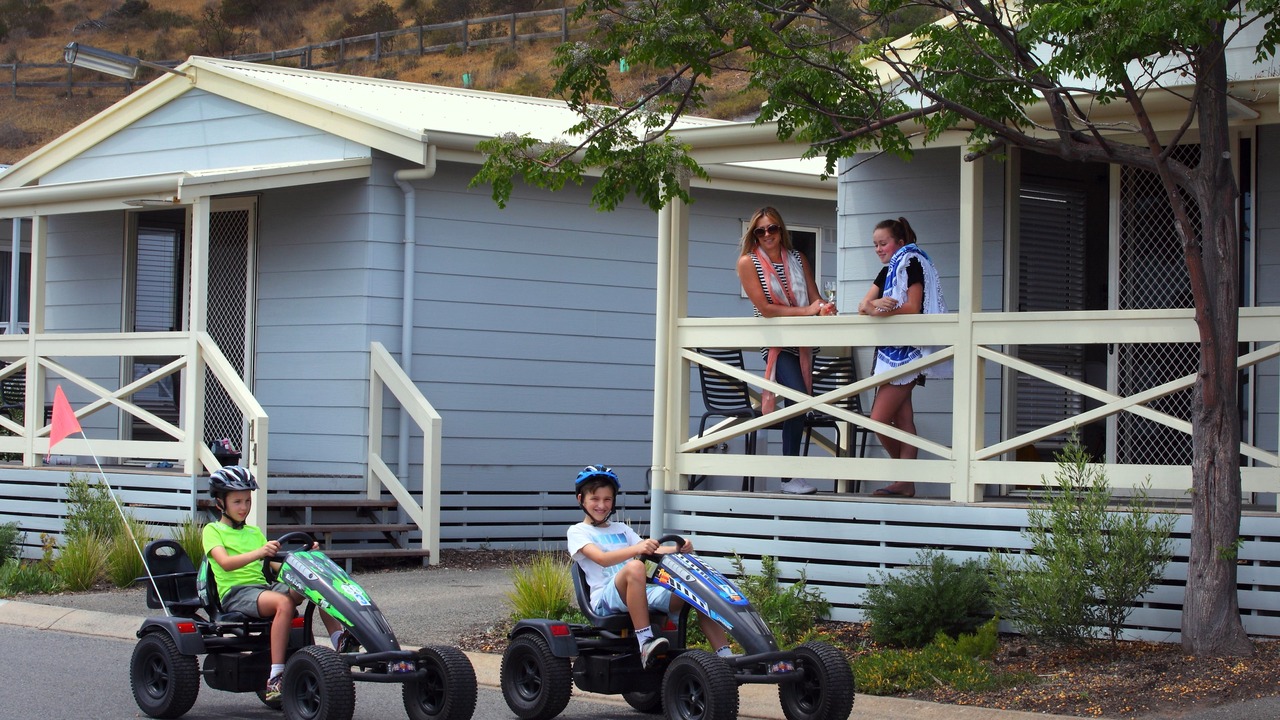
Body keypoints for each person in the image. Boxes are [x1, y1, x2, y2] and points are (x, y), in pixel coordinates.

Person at [202, 465, 352, 702]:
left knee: (316, 585)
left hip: (262, 589)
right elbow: (225, 563)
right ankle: (275, 677)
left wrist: (305, 557)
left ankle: (339, 640)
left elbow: (274, 566)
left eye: (247, 501)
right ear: (221, 503)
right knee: (284, 603)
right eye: (237, 502)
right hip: (236, 593)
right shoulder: (213, 531)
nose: (244, 507)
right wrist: (260, 552)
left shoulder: (253, 532)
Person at [567, 465, 735, 669]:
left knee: (697, 587)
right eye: (595, 499)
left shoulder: (621, 529)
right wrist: (637, 549)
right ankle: (645, 642)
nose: (601, 505)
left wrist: (677, 548)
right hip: (605, 600)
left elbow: (651, 549)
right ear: (581, 499)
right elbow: (601, 558)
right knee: (636, 567)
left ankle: (726, 656)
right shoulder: (578, 531)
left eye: (607, 499)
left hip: (640, 592)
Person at [736, 206, 835, 495]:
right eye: (760, 230)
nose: (767, 234)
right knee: (798, 397)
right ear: (754, 235)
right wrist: (807, 310)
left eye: (772, 228)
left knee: (798, 404)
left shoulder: (798, 258)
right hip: (776, 345)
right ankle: (788, 477)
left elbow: (815, 297)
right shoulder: (748, 262)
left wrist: (823, 307)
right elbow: (766, 309)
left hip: (803, 343)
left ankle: (792, 475)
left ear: (781, 230)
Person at [857, 217, 949, 497]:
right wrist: (874, 305)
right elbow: (863, 305)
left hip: (909, 352)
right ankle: (905, 480)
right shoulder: (889, 270)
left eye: (883, 243)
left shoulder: (910, 263)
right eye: (875, 244)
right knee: (903, 418)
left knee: (878, 419)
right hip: (891, 353)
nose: (878, 249)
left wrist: (878, 310)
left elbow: (913, 306)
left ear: (899, 243)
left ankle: (905, 477)